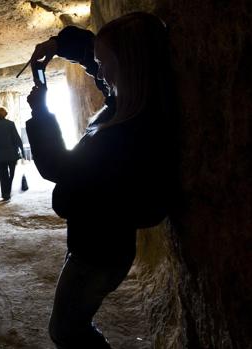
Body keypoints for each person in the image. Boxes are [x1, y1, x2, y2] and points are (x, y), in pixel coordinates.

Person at [25, 12, 177, 348]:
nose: (99, 71)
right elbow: (98, 60)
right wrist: (59, 45)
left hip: (97, 255)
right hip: (101, 246)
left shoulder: (123, 135)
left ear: (128, 66)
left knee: (66, 329)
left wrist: (41, 113)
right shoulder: (134, 105)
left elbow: (59, 167)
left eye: (105, 64)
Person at [0, 107, 26, 201]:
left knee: (2, 175)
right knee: (11, 174)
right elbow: (16, 138)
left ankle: (4, 193)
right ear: (5, 114)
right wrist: (22, 150)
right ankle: (7, 192)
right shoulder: (10, 124)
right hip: (11, 154)